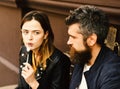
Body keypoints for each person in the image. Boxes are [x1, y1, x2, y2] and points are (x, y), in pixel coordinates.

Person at [65, 5, 120, 89]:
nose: (68, 42)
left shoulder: (112, 73)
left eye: (73, 37)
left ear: (91, 40)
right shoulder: (82, 56)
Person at [16, 10, 71, 89]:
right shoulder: (24, 51)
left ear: (46, 34)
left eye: (36, 33)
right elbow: (21, 86)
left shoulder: (59, 60)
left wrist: (33, 83)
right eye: (25, 32)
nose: (29, 38)